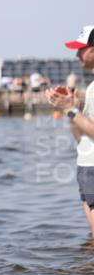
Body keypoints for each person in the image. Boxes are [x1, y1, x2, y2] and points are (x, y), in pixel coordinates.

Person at [45, 24, 94, 239]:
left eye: (81, 49)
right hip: (86, 166)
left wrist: (70, 110)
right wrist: (71, 110)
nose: (76, 54)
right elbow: (81, 138)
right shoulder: (91, 87)